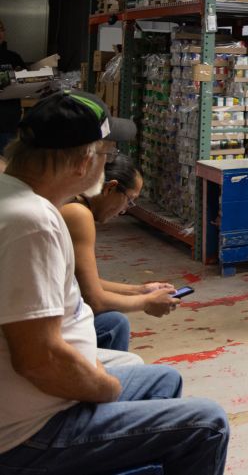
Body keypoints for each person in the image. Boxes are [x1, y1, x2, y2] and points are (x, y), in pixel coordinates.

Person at [0, 89, 229, 474]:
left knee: (163, 379)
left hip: (36, 400)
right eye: (105, 154)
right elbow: (40, 360)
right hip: (31, 430)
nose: (106, 165)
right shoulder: (31, 222)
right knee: (208, 424)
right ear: (83, 161)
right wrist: (103, 386)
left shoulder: (18, 196)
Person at [61, 154, 178, 352]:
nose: (124, 210)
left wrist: (141, 290)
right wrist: (146, 303)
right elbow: (94, 300)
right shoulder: (78, 214)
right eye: (129, 200)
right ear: (110, 188)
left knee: (114, 322)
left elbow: (84, 282)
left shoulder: (71, 201)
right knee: (115, 323)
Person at [0, 18, 26, 153]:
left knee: (7, 159)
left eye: (1, 30)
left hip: (8, 120)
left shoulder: (13, 57)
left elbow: (26, 81)